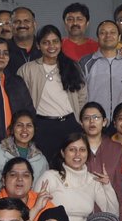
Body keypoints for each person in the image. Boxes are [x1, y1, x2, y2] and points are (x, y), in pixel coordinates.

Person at [18, 25, 87, 162]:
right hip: (42, 126)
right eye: (46, 42)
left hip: (70, 123)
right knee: (44, 165)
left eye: (55, 41)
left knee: (71, 164)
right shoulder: (27, 69)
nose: (51, 46)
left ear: (61, 43)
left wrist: (79, 119)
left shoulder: (72, 66)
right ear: (38, 45)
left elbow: (82, 95)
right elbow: (20, 99)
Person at [37, 132, 120, 221]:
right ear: (63, 153)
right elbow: (35, 212)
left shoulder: (93, 180)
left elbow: (112, 215)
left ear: (87, 153)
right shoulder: (50, 177)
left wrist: (107, 186)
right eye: (72, 150)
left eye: (82, 150)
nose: (77, 154)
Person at [0, 111, 48, 207]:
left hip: (27, 211)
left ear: (34, 130)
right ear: (12, 129)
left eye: (29, 126)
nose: (24, 130)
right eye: (19, 125)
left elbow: (40, 192)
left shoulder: (41, 160)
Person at [79, 102, 122, 221]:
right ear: (81, 123)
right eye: (86, 118)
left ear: (104, 122)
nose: (91, 121)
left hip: (108, 217)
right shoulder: (74, 148)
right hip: (80, 219)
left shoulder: (116, 149)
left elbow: (120, 187)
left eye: (96, 117)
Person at [80, 19, 122, 117]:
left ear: (119, 37)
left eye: (112, 32)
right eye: (103, 33)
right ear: (97, 38)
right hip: (94, 120)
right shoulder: (85, 63)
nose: (108, 36)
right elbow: (79, 95)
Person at [5, 6, 38, 73]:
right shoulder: (3, 49)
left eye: (26, 21)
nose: (22, 25)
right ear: (10, 26)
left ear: (34, 24)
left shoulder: (45, 48)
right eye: (17, 21)